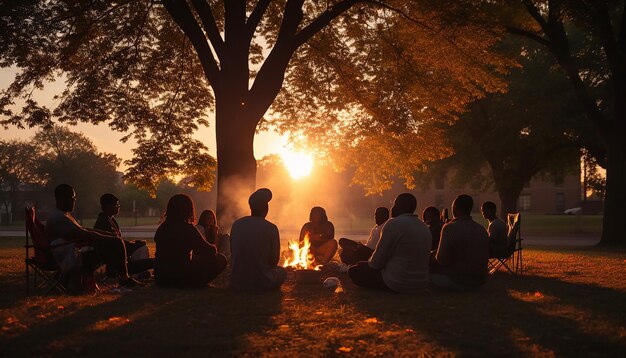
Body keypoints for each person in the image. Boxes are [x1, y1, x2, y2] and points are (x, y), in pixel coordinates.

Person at [45, 184, 142, 289]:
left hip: (72, 254)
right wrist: (109, 238)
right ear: (61, 198)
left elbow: (84, 229)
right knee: (116, 243)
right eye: (72, 197)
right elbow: (84, 234)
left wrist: (108, 234)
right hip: (68, 258)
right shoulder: (59, 217)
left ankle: (120, 275)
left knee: (115, 242)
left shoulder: (63, 215)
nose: (75, 200)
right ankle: (123, 278)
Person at [348, 193, 432, 292]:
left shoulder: (393, 223)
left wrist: (364, 263)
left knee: (354, 270)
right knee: (361, 264)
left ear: (402, 206)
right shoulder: (424, 226)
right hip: (420, 283)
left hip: (397, 281)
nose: (392, 208)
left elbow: (376, 263)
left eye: (395, 204)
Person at [154, 194, 226, 288]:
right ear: (188, 210)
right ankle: (199, 282)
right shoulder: (187, 228)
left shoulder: (162, 228)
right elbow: (209, 250)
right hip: (182, 277)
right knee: (220, 259)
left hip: (161, 278)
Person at [230, 188, 287, 292]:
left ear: (251, 207)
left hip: (237, 282)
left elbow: (233, 253)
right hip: (261, 282)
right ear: (266, 209)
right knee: (282, 271)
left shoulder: (237, 224)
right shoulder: (271, 228)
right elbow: (273, 261)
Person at [431, 195, 489, 290]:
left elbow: (441, 260)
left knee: (423, 277)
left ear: (454, 208)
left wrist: (432, 255)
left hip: (459, 280)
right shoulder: (481, 229)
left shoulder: (449, 228)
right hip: (481, 281)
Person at [94, 193, 153, 275]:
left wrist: (133, 243)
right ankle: (135, 273)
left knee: (140, 245)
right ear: (108, 206)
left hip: (116, 250)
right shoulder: (103, 222)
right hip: (112, 254)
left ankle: (136, 271)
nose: (118, 206)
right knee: (142, 247)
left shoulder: (110, 219)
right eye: (116, 204)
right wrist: (133, 245)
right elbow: (114, 243)